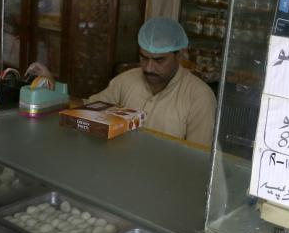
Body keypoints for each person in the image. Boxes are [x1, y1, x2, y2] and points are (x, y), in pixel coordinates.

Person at [88, 17, 217, 146]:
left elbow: (197, 157)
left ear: (179, 55)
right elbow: (89, 113)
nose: (149, 68)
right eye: (144, 58)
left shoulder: (200, 97)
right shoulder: (125, 81)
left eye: (159, 60)